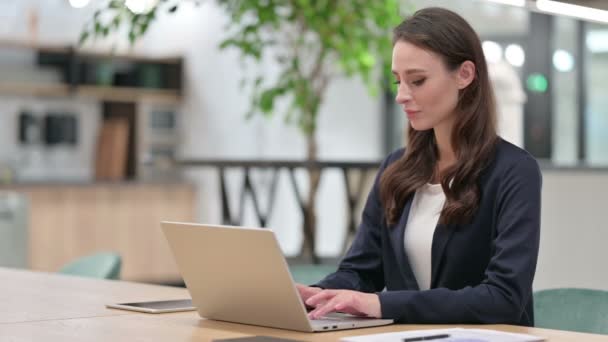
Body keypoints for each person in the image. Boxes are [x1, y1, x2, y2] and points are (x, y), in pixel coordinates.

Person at [296, 7, 542, 326]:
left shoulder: (514, 171)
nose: (401, 96)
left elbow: (503, 298)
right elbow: (361, 272)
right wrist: (315, 296)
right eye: (398, 81)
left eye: (418, 81)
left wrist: (381, 304)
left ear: (465, 75)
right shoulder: (396, 168)